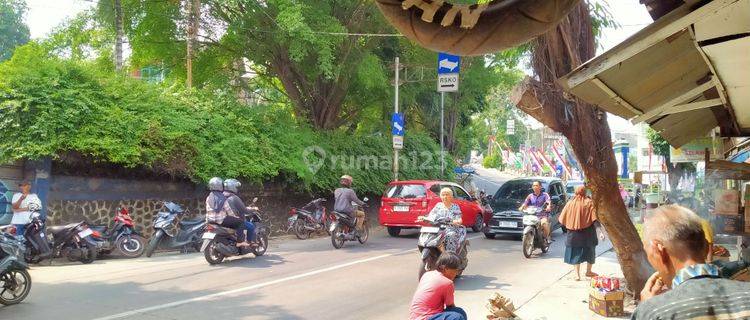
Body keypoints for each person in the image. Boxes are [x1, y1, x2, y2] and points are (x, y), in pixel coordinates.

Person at [633, 205, 750, 320]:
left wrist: (647, 309)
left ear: (659, 251)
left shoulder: (653, 311)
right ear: (705, 247)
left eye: (646, 251)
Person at [558, 186, 602, 280]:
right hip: (588, 233)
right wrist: (600, 231)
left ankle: (577, 275)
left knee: (575, 252)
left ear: (576, 192)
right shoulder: (589, 202)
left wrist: (571, 224)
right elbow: (594, 219)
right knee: (590, 251)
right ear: (585, 192)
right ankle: (588, 271)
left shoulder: (570, 203)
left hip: (573, 233)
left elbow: (562, 219)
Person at [409, 252, 467, 320]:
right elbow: (450, 306)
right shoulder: (447, 283)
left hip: (415, 316)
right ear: (445, 269)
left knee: (459, 312)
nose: (457, 273)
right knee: (458, 317)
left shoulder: (427, 274)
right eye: (456, 270)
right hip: (425, 317)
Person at [417, 187, 464, 254]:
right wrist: (424, 218)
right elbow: (431, 215)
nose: (445, 197)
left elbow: (458, 218)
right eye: (443, 194)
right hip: (437, 228)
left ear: (451, 197)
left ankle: (450, 255)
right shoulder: (438, 205)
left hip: (450, 228)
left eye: (447, 194)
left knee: (451, 235)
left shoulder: (455, 207)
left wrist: (458, 221)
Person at [222, 179, 256, 247]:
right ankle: (249, 243)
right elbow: (244, 210)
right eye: (236, 187)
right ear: (232, 187)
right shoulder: (234, 198)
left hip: (223, 220)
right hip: (234, 220)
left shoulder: (221, 196)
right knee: (251, 226)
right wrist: (253, 209)